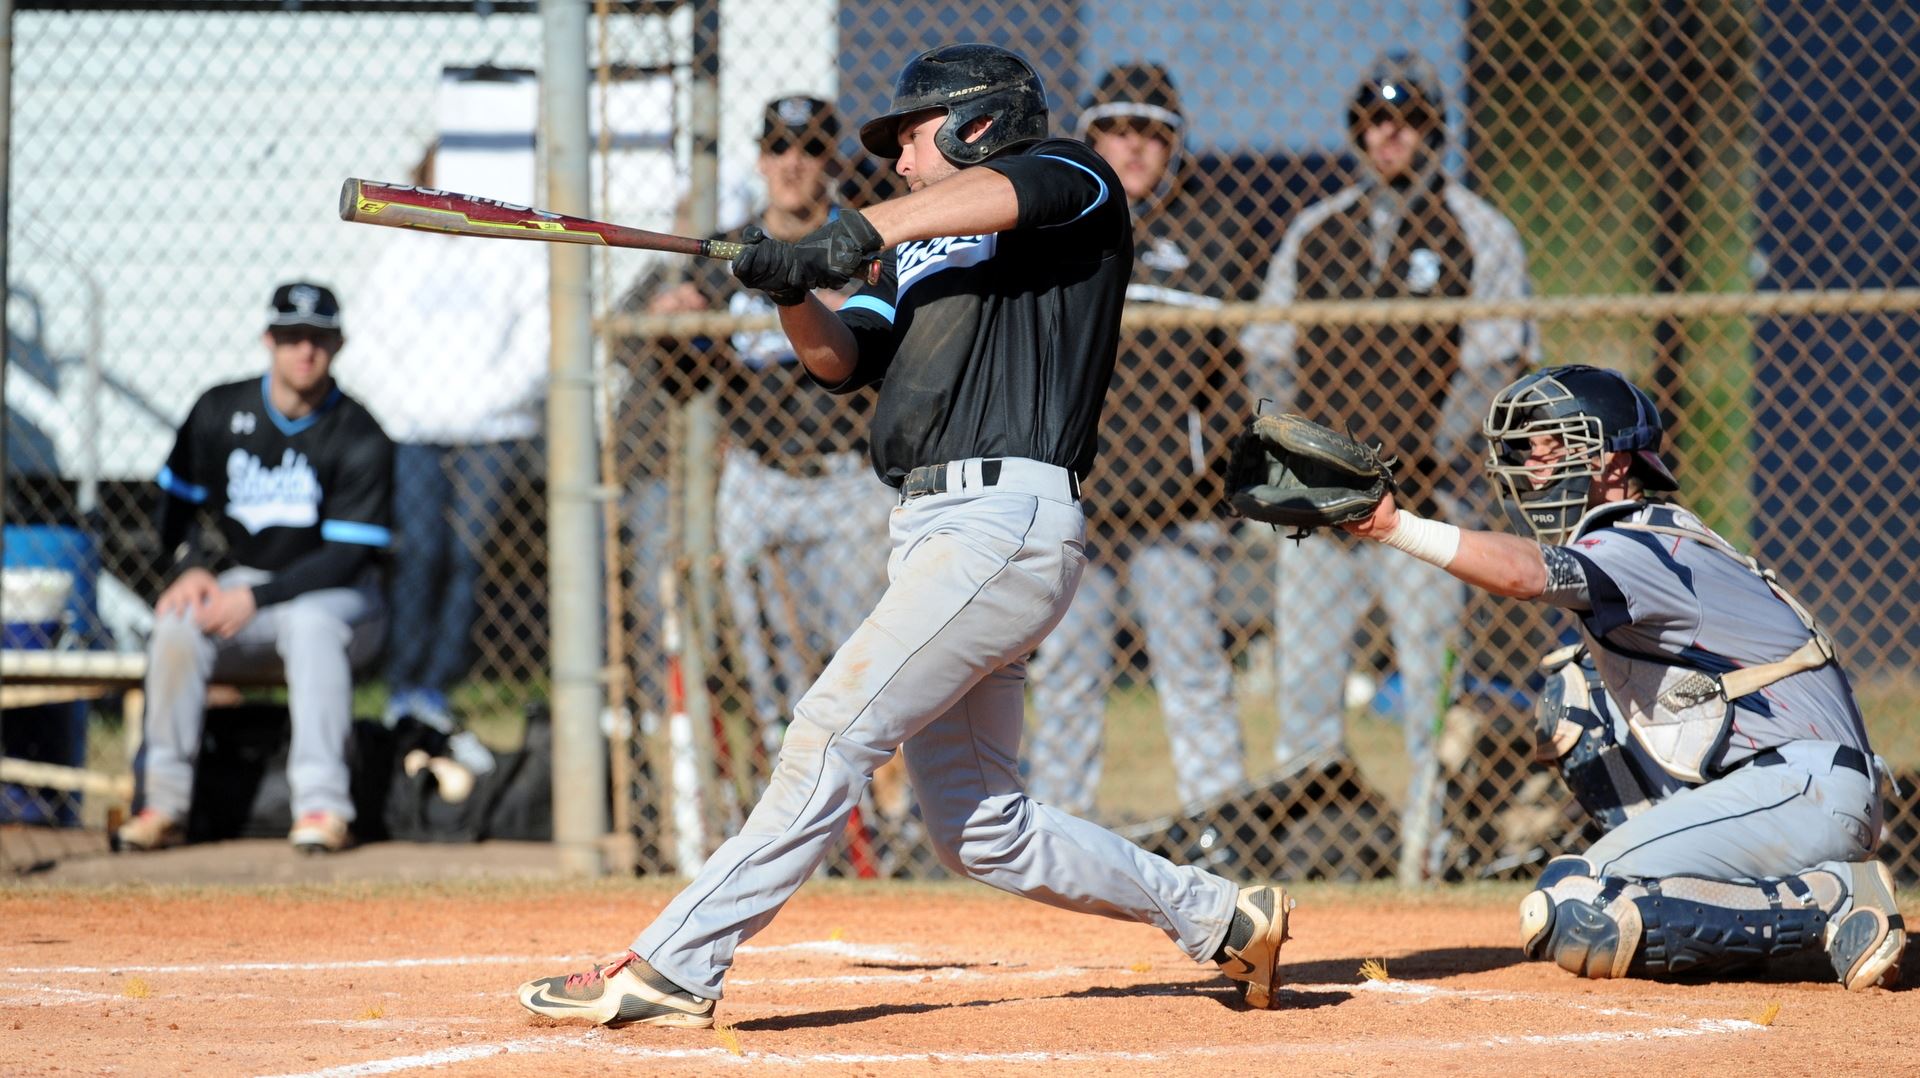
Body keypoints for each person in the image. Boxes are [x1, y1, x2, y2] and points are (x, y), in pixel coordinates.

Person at [517, 42, 1292, 1028]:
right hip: (930, 526)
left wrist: (846, 234)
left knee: (832, 728)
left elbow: (1006, 196)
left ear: (977, 127)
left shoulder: (1073, 180)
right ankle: (1222, 915)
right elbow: (843, 359)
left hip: (1003, 518)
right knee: (983, 831)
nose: (897, 157)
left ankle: (676, 963)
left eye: (912, 137)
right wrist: (790, 286)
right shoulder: (913, 244)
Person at [1341, 363, 1904, 990]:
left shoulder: (1636, 547)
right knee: (1574, 701)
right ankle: (1752, 908)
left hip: (1806, 790)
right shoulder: (1644, 535)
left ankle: (1832, 898)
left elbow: (1530, 576)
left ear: (1611, 464)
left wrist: (1396, 527)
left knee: (1580, 908)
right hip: (1774, 786)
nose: (1533, 467)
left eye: (1554, 448)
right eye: (1528, 451)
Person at [1241, 50, 1538, 857]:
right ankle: (1309, 843)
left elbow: (1493, 360)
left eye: (1406, 120)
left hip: (1424, 504)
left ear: (1431, 131)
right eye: (1376, 118)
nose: (1389, 134)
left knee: (1427, 690)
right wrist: (1311, 457)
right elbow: (1268, 354)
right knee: (1305, 685)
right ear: (1357, 130)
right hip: (1322, 505)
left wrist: (1414, 464)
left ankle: (1423, 846)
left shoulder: (1477, 229)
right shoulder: (1317, 230)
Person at [1025, 62, 1249, 815]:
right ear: (1090, 137)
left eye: (1152, 132)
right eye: (1116, 129)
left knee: (1194, 672)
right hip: (1076, 495)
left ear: (1174, 144)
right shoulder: (1058, 225)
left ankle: (1222, 827)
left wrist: (1203, 460)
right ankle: (1054, 830)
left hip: (1174, 508)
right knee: (1066, 675)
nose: (1134, 147)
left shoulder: (1215, 230)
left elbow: (1240, 371)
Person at [115, 283, 393, 855]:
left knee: (314, 626)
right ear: (269, 339)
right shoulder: (220, 408)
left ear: (337, 345)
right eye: (291, 336)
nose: (304, 351)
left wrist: (256, 600)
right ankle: (162, 805)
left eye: (317, 338)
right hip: (248, 583)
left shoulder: (360, 432)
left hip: (341, 597)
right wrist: (189, 566)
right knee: (178, 624)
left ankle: (322, 806)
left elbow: (346, 557)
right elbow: (173, 505)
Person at [657, 95, 893, 759]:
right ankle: (787, 776)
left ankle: (867, 808)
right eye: (781, 148)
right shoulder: (735, 251)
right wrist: (673, 328)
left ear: (832, 160)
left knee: (857, 651)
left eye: (812, 148)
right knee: (766, 653)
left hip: (847, 477)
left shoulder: (861, 244)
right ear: (760, 159)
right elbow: (683, 380)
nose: (795, 164)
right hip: (757, 474)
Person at [352, 132, 548, 763]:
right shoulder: (400, 254)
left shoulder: (514, 246)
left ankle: (436, 687)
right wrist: (412, 407)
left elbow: (539, 342)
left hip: (494, 432)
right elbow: (368, 345)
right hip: (416, 432)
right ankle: (402, 688)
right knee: (418, 555)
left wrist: (485, 404)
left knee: (467, 557)